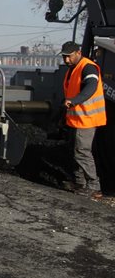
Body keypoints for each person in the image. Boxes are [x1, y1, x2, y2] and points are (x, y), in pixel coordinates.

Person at [61, 41, 106, 199]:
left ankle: (94, 186)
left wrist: (75, 100)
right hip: (76, 119)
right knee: (75, 150)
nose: (66, 60)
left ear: (78, 53)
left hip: (87, 118)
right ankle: (80, 183)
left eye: (69, 56)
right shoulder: (73, 69)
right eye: (64, 57)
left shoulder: (88, 67)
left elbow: (91, 86)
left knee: (82, 152)